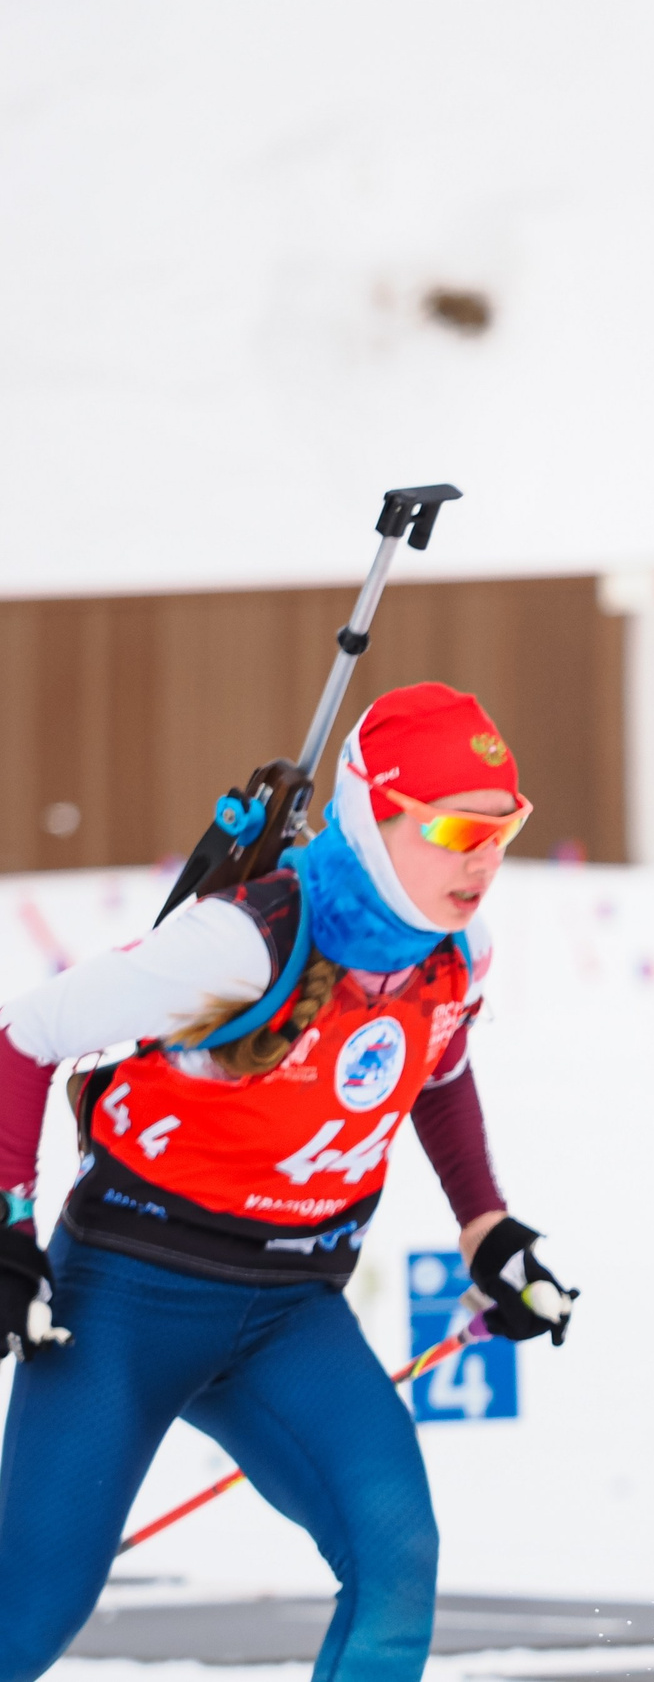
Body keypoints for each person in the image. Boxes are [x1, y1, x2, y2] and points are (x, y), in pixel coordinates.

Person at [0, 682, 577, 1682]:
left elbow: (435, 1066)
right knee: (28, 1618)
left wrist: (487, 1225)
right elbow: (27, 1038)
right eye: (449, 827)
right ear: (370, 813)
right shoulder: (243, 941)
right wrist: (8, 1228)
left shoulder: (457, 953)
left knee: (396, 1556)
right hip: (123, 1303)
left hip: (291, 1313)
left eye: (502, 826)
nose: (480, 856)